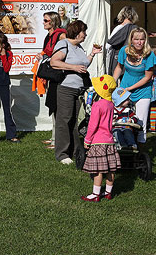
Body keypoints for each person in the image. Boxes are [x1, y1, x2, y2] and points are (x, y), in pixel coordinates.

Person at [50, 20, 102, 163]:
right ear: (77, 32)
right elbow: (54, 62)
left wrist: (92, 54)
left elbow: (83, 65)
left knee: (76, 121)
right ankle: (62, 154)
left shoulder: (79, 47)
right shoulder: (64, 44)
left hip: (80, 90)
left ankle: (75, 151)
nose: (85, 34)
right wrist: (73, 67)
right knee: (64, 120)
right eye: (84, 31)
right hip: (66, 88)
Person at [112, 27, 156, 147]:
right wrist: (112, 82)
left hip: (143, 90)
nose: (139, 42)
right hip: (124, 89)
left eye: (142, 39)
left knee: (141, 122)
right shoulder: (124, 51)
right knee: (121, 118)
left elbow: (147, 77)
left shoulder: (149, 55)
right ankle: (122, 144)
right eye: (136, 39)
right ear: (131, 40)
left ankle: (140, 148)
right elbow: (119, 67)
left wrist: (129, 89)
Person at [81, 75, 120, 202]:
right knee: (110, 168)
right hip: (109, 140)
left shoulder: (97, 105)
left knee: (98, 169)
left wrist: (87, 140)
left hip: (98, 141)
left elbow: (93, 125)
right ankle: (108, 192)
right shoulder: (110, 104)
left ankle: (95, 194)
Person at [38, 11, 67, 149]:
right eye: (43, 20)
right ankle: (54, 137)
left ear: (53, 21)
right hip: (51, 74)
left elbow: (64, 54)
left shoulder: (61, 35)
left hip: (59, 75)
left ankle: (58, 140)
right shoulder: (48, 36)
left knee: (57, 107)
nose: (43, 22)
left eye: (46, 20)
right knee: (53, 105)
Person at [105, 6, 138, 76]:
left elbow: (108, 46)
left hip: (117, 59)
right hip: (132, 59)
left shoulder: (118, 28)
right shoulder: (136, 28)